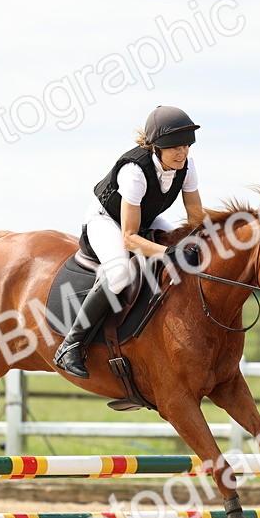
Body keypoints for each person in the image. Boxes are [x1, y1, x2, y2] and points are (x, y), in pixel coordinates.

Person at [53, 105, 205, 379]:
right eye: (175, 148)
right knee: (120, 274)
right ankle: (71, 344)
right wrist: (170, 253)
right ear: (157, 147)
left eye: (186, 146)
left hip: (146, 218)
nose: (182, 153)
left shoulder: (187, 166)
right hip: (107, 220)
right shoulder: (134, 172)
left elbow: (196, 221)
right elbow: (130, 238)